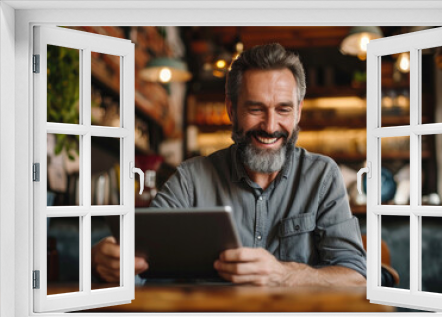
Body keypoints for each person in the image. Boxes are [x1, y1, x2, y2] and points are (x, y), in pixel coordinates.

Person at [92, 43, 367, 287]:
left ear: (298, 112)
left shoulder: (322, 176)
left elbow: (356, 278)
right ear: (231, 110)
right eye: (255, 109)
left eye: (283, 109)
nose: (270, 126)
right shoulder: (191, 179)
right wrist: (106, 260)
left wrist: (284, 275)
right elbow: (142, 261)